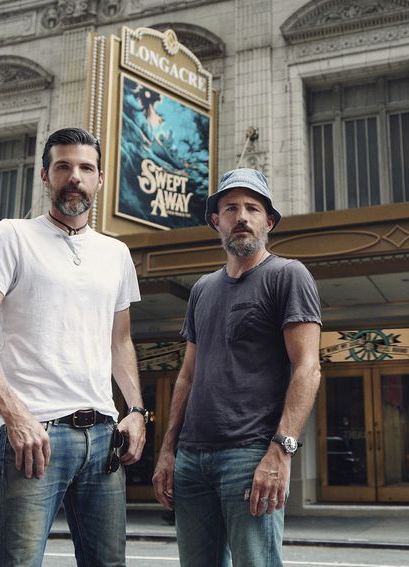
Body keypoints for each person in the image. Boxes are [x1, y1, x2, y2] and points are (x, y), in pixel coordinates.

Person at [0, 127, 147, 566]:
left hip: (103, 439)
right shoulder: (12, 236)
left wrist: (135, 410)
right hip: (35, 435)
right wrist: (16, 416)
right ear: (45, 176)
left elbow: (120, 341)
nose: (74, 176)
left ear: (99, 178)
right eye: (63, 166)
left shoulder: (116, 253)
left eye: (85, 168)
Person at [152, 168, 322, 566]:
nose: (241, 216)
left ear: (269, 221)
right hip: (192, 460)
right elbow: (188, 375)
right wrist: (167, 450)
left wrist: (281, 452)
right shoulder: (202, 290)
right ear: (216, 221)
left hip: (251, 454)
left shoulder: (288, 275)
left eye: (252, 208)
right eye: (230, 208)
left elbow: (307, 369)